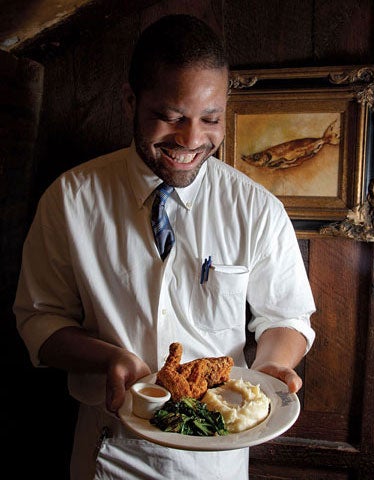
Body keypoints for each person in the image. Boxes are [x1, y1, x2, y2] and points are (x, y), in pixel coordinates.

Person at [13, 13, 316, 480]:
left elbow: (286, 317)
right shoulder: (71, 199)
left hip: (218, 454)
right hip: (107, 450)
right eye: (170, 117)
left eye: (210, 119)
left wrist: (272, 367)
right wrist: (109, 358)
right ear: (131, 100)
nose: (191, 141)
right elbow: (39, 319)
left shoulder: (257, 208)